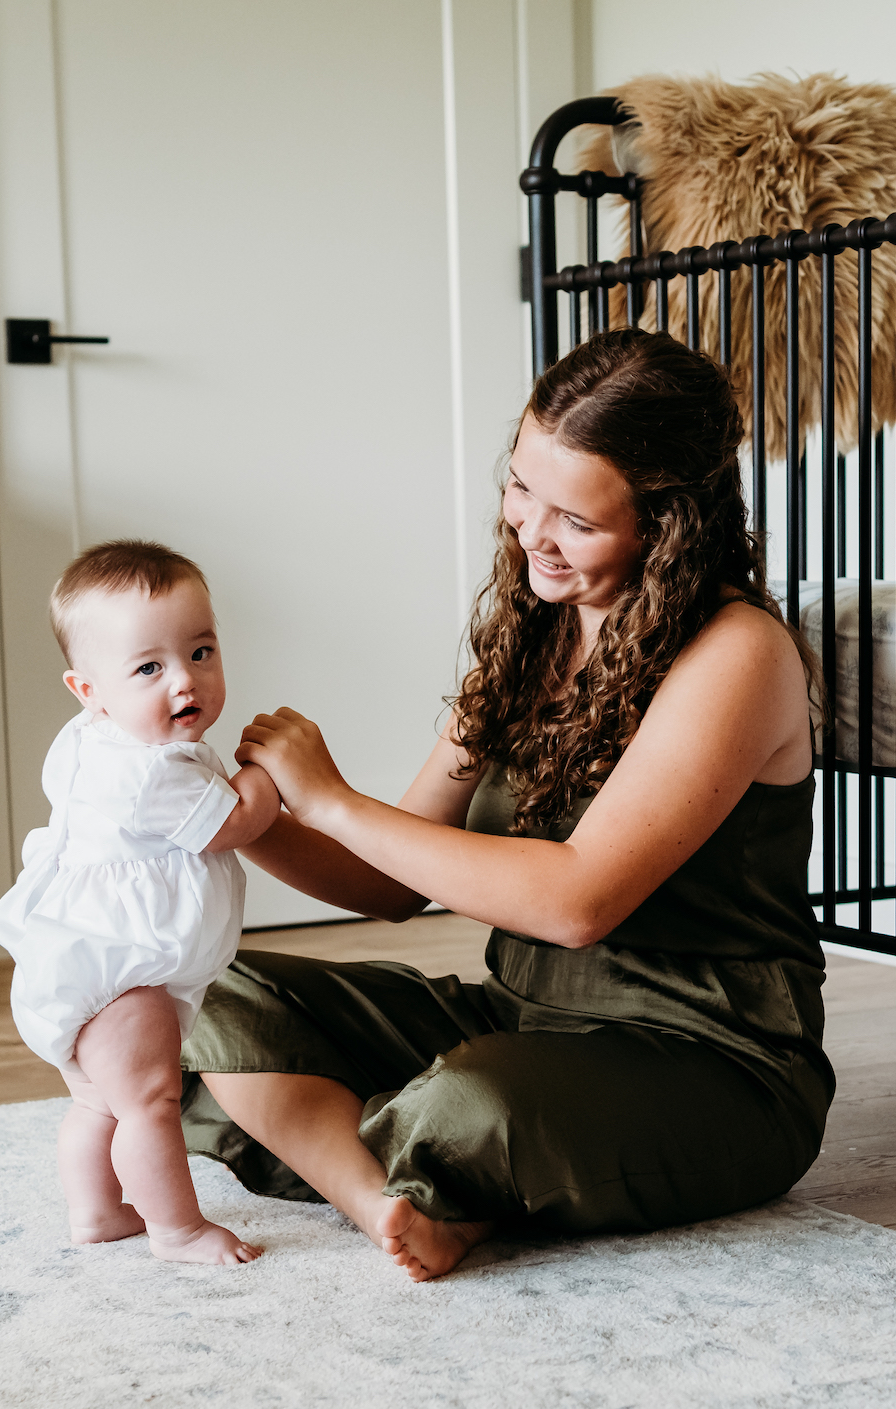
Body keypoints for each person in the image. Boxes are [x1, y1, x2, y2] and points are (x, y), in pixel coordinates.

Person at [185, 329, 830, 1282]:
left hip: (710, 1056)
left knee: (471, 1101)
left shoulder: (738, 653)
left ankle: (382, 1141)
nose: (530, 531)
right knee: (201, 994)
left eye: (575, 516)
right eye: (522, 486)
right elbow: (386, 880)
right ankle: (414, 1188)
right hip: (518, 1017)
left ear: (668, 522)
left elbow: (577, 900)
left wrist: (330, 799)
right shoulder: (537, 630)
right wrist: (234, 818)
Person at [0, 541, 280, 1265]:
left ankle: (95, 1211)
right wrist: (270, 775)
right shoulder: (153, 774)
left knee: (100, 1100)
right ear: (87, 688)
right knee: (151, 1101)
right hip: (124, 971)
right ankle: (178, 1227)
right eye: (149, 668)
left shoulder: (97, 738)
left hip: (81, 957)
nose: (185, 680)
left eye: (202, 651)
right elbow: (233, 823)